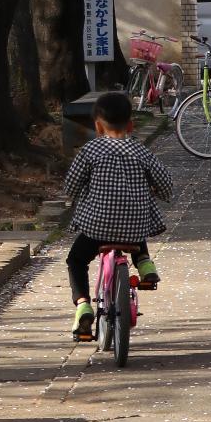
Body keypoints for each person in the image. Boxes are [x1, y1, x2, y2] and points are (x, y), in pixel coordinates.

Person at [62, 87, 173, 341]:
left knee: (76, 260)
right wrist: (156, 191)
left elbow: (71, 186)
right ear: (132, 125)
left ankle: (82, 306)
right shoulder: (142, 152)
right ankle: (144, 264)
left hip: (96, 227)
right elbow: (166, 185)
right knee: (134, 217)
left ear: (98, 127)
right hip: (134, 228)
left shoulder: (91, 151)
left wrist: (77, 195)